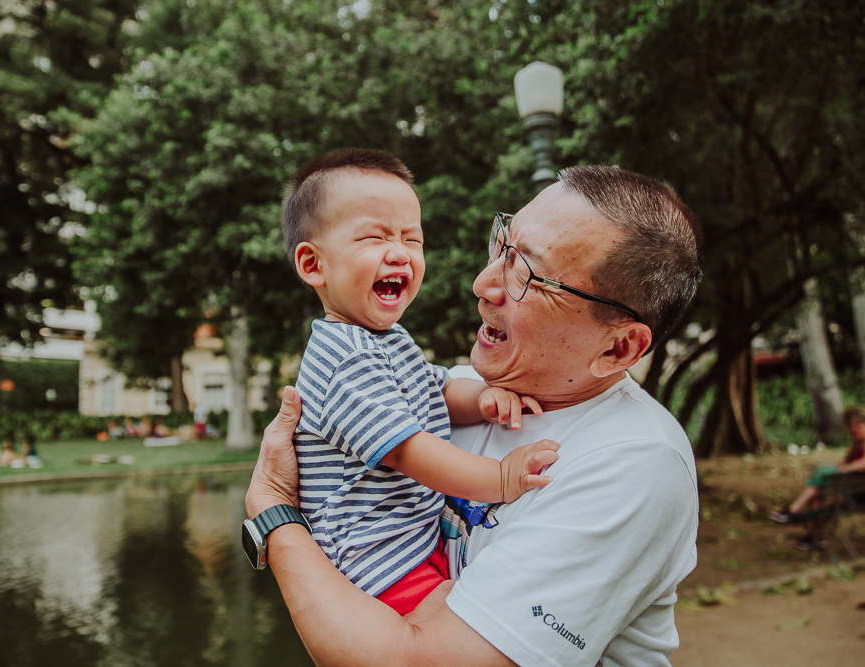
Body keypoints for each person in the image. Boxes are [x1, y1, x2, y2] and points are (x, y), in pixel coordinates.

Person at [246, 164, 702, 666]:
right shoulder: (476, 385)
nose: (482, 284)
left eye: (527, 273)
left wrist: (275, 517)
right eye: (502, 247)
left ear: (618, 349)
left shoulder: (634, 463)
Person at [280, 148, 558, 613]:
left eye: (413, 239)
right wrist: (500, 478)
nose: (399, 253)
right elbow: (405, 449)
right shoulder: (343, 357)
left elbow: (439, 389)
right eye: (374, 237)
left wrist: (484, 398)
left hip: (411, 541)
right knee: (443, 641)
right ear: (314, 265)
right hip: (374, 559)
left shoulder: (386, 338)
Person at [769, 406, 865, 543]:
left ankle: (792, 511)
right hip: (849, 489)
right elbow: (843, 464)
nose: (854, 429)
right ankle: (815, 537)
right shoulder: (857, 445)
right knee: (817, 491)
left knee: (819, 472)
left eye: (858, 424)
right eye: (851, 425)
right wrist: (841, 468)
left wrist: (845, 469)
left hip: (857, 494)